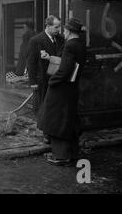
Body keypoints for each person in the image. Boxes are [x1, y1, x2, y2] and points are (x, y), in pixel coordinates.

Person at [38, 18, 87, 166]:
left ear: (70, 31)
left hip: (62, 89)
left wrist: (53, 81)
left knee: (57, 121)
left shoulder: (70, 45)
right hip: (72, 88)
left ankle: (61, 156)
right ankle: (72, 154)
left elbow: (65, 69)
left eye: (65, 30)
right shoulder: (81, 44)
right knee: (69, 121)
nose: (63, 32)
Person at [26, 15, 64, 120]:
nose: (59, 29)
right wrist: (32, 81)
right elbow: (31, 62)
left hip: (57, 77)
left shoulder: (61, 39)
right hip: (42, 78)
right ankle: (41, 126)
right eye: (56, 27)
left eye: (59, 27)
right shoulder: (36, 40)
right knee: (41, 104)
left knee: (54, 104)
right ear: (47, 26)